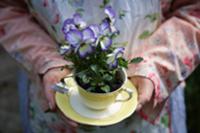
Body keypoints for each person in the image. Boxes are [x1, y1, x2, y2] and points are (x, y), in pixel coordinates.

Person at [0, 0, 199, 132]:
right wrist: (44, 60)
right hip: (57, 102)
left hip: (144, 109)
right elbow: (7, 7)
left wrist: (155, 66)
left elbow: (194, 10)